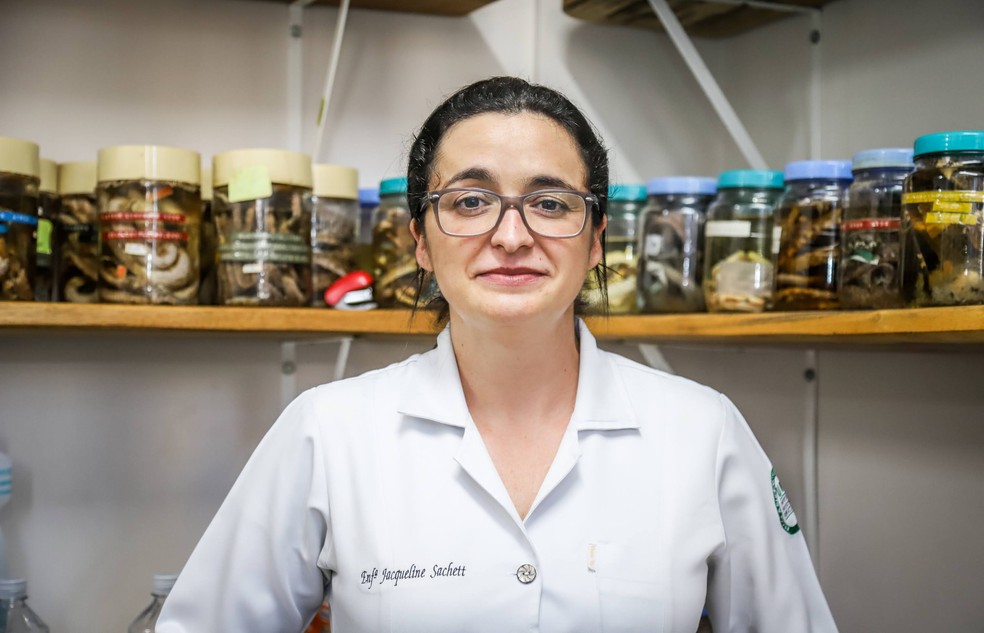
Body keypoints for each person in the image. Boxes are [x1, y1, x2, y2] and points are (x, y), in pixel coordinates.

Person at [157, 76, 838, 633]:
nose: (511, 235)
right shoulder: (329, 430)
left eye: (548, 201)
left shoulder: (701, 430)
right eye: (472, 199)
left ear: (596, 239)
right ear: (420, 241)